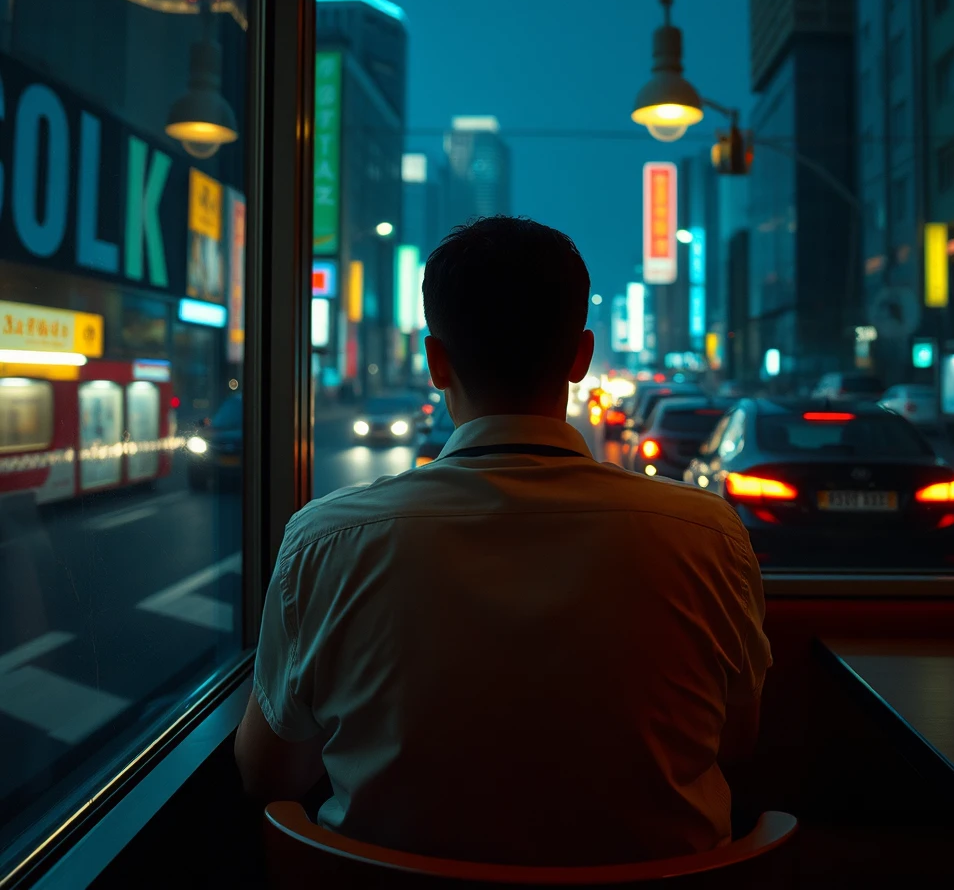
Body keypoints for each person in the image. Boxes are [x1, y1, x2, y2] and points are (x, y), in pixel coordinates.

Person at [235, 216, 771, 865]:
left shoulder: (325, 540)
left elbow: (268, 774)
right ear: (581, 356)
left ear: (437, 363)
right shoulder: (708, 535)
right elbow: (739, 739)